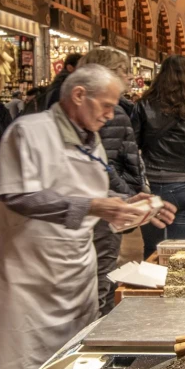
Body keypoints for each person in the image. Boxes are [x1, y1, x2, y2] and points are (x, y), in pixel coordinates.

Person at [0, 64, 176, 369]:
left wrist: (137, 203)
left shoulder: (88, 136)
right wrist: (93, 206)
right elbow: (16, 195)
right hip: (26, 278)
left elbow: (99, 188)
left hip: (73, 274)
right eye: (108, 105)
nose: (113, 114)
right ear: (78, 95)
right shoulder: (27, 132)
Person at [79, 48, 146, 316]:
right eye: (123, 70)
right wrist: (125, 198)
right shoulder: (108, 110)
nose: (129, 77)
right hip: (105, 205)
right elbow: (103, 164)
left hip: (97, 202)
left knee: (97, 275)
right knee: (103, 278)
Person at [132, 55, 185, 259]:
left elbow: (131, 147)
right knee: (179, 253)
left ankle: (149, 289)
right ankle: (176, 290)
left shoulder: (143, 106)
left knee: (152, 249)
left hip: (151, 187)